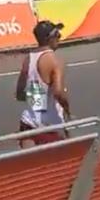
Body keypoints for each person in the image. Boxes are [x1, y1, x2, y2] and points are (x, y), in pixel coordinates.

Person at [16, 20, 71, 148]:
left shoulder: (28, 59)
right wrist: (67, 108)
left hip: (28, 124)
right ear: (49, 38)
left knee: (31, 165)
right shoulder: (54, 60)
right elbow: (58, 92)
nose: (60, 37)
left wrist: (38, 97)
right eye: (57, 34)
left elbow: (20, 94)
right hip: (49, 127)